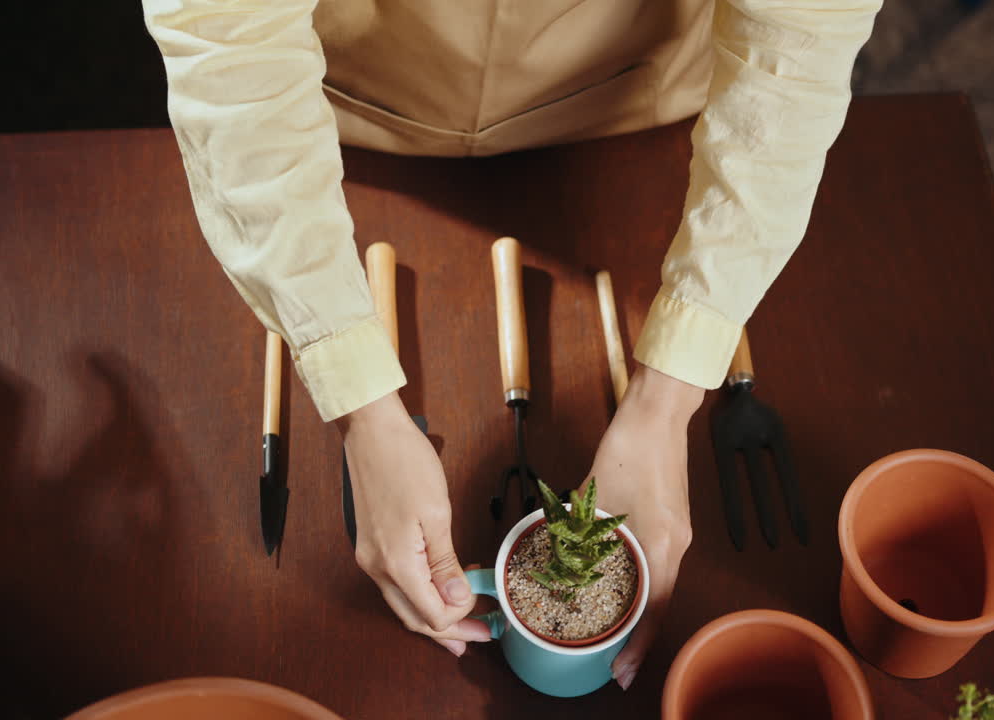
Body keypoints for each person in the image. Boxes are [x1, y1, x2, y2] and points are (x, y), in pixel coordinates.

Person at [142, 0, 881, 691]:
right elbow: (227, 45)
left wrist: (668, 397)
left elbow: (800, 41)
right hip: (354, 106)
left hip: (632, 97)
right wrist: (360, 403)